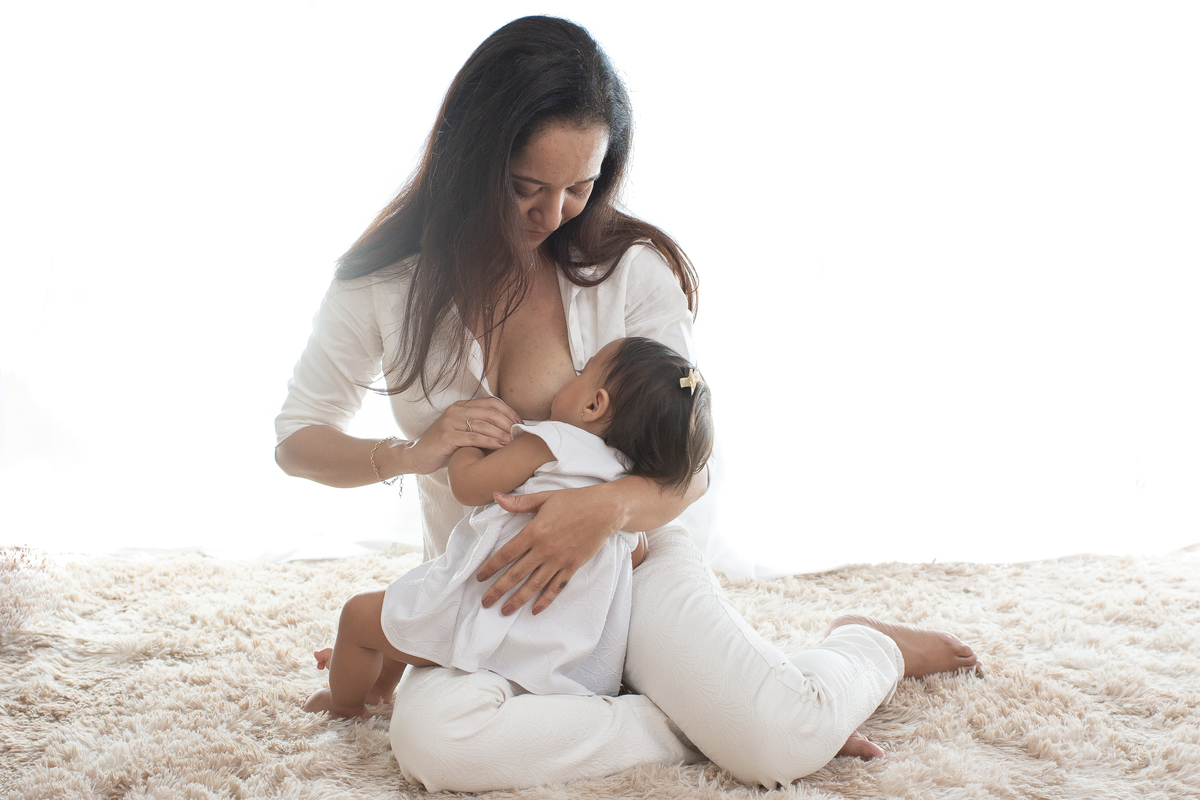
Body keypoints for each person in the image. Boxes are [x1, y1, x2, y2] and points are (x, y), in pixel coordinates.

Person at [275, 15, 978, 791]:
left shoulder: (631, 269)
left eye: (580, 187)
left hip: (633, 560)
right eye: (527, 189)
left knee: (779, 746)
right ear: (470, 163)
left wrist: (604, 511)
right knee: (437, 746)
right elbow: (298, 438)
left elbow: (690, 469)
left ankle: (865, 646)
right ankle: (682, 722)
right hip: (492, 588)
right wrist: (412, 455)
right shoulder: (381, 282)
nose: (554, 216)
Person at [302, 337, 714, 718]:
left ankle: (344, 705)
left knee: (359, 617)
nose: (569, 378)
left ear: (593, 405)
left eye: (581, 372)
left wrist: (468, 442)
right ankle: (379, 686)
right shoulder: (624, 486)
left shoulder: (552, 440)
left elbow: (469, 487)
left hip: (491, 613)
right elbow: (636, 553)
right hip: (558, 654)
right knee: (408, 615)